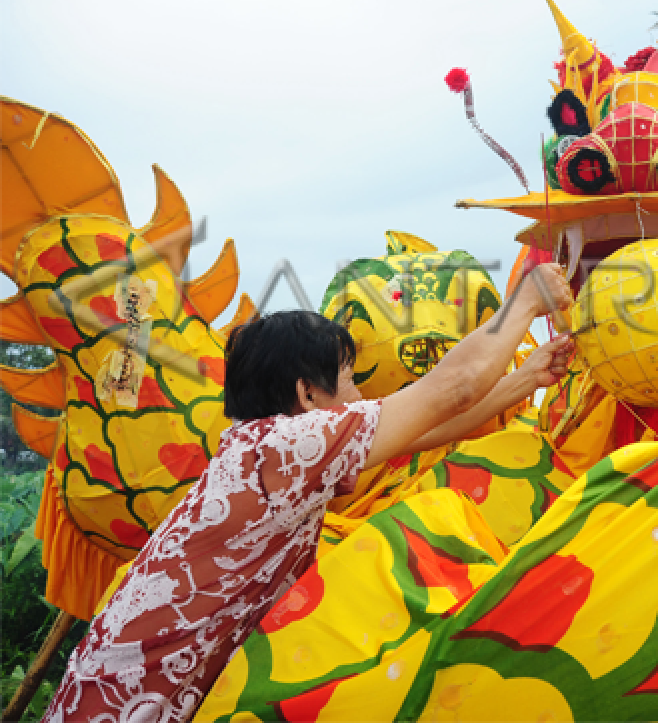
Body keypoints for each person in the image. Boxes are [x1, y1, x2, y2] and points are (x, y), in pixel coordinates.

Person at [42, 263, 574, 723]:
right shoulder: (289, 443)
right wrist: (526, 299)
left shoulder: (261, 448)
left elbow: (429, 427)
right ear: (307, 393)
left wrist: (525, 378)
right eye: (348, 376)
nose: (361, 395)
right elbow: (451, 388)